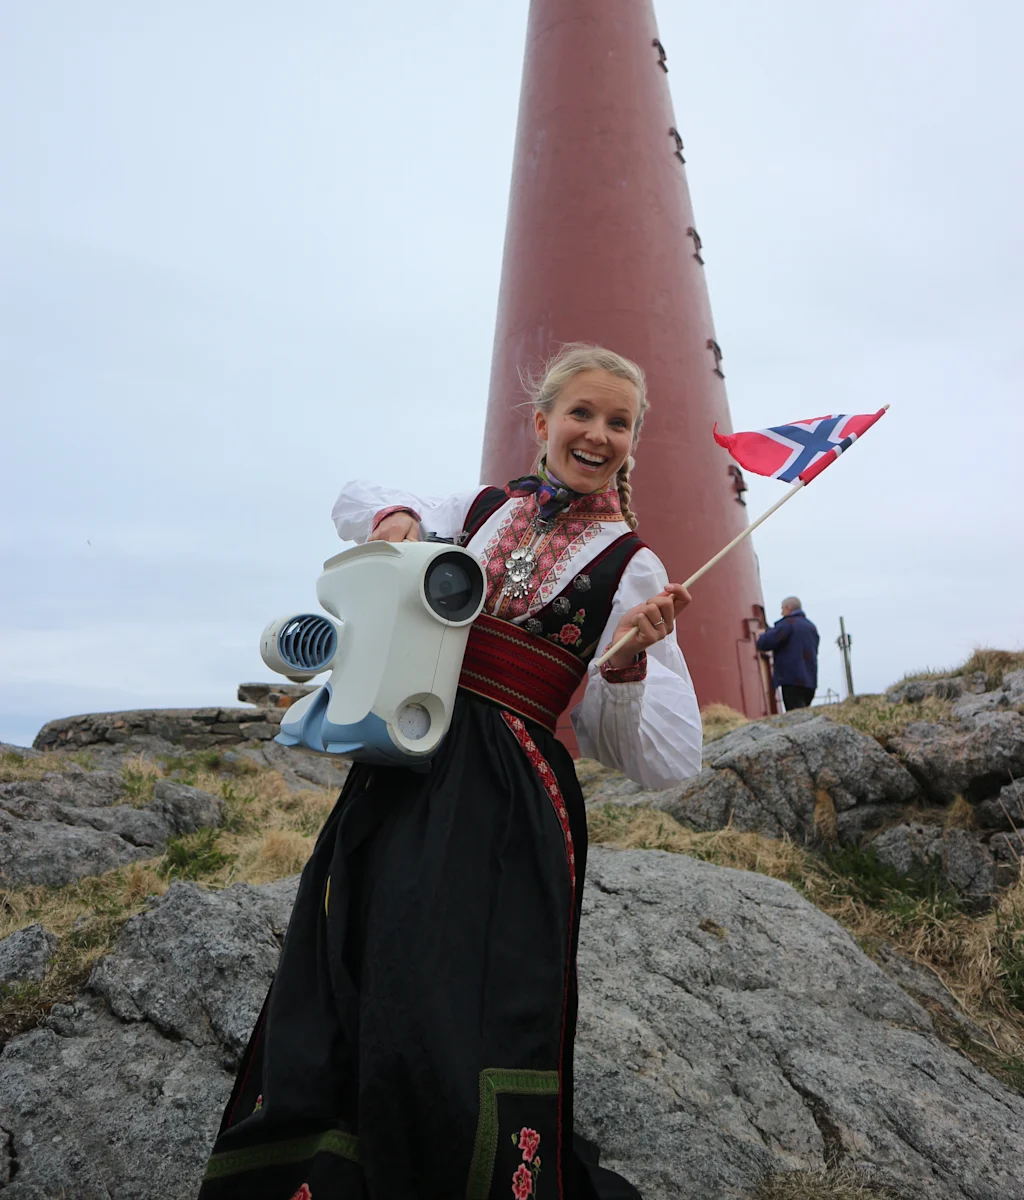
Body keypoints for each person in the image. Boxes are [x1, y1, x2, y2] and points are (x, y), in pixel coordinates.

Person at [198, 343, 702, 1200]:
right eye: (581, 413)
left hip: (513, 797)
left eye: (619, 423)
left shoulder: (635, 567)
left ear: (632, 443)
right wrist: (396, 518)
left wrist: (624, 668)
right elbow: (354, 499)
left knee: (460, 984)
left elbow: (665, 760)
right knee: (362, 951)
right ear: (542, 423)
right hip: (408, 763)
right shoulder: (476, 508)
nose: (597, 433)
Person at [756, 596, 820, 711]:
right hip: (810, 680)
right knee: (804, 712)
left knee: (795, 713)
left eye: (782, 609)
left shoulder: (788, 623)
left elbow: (766, 642)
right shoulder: (811, 627)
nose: (782, 612)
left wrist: (761, 636)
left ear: (788, 608)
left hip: (792, 679)